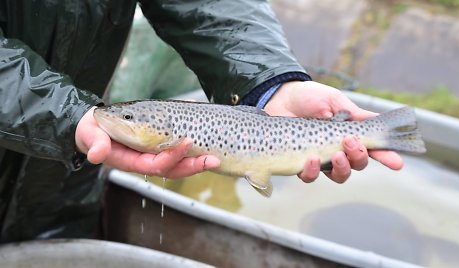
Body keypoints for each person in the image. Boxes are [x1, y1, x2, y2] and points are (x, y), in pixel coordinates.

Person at [0, 0, 402, 243]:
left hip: (65, 182)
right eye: (122, 117)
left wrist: (269, 81)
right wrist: (67, 115)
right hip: (72, 136)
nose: (116, 119)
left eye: (125, 117)